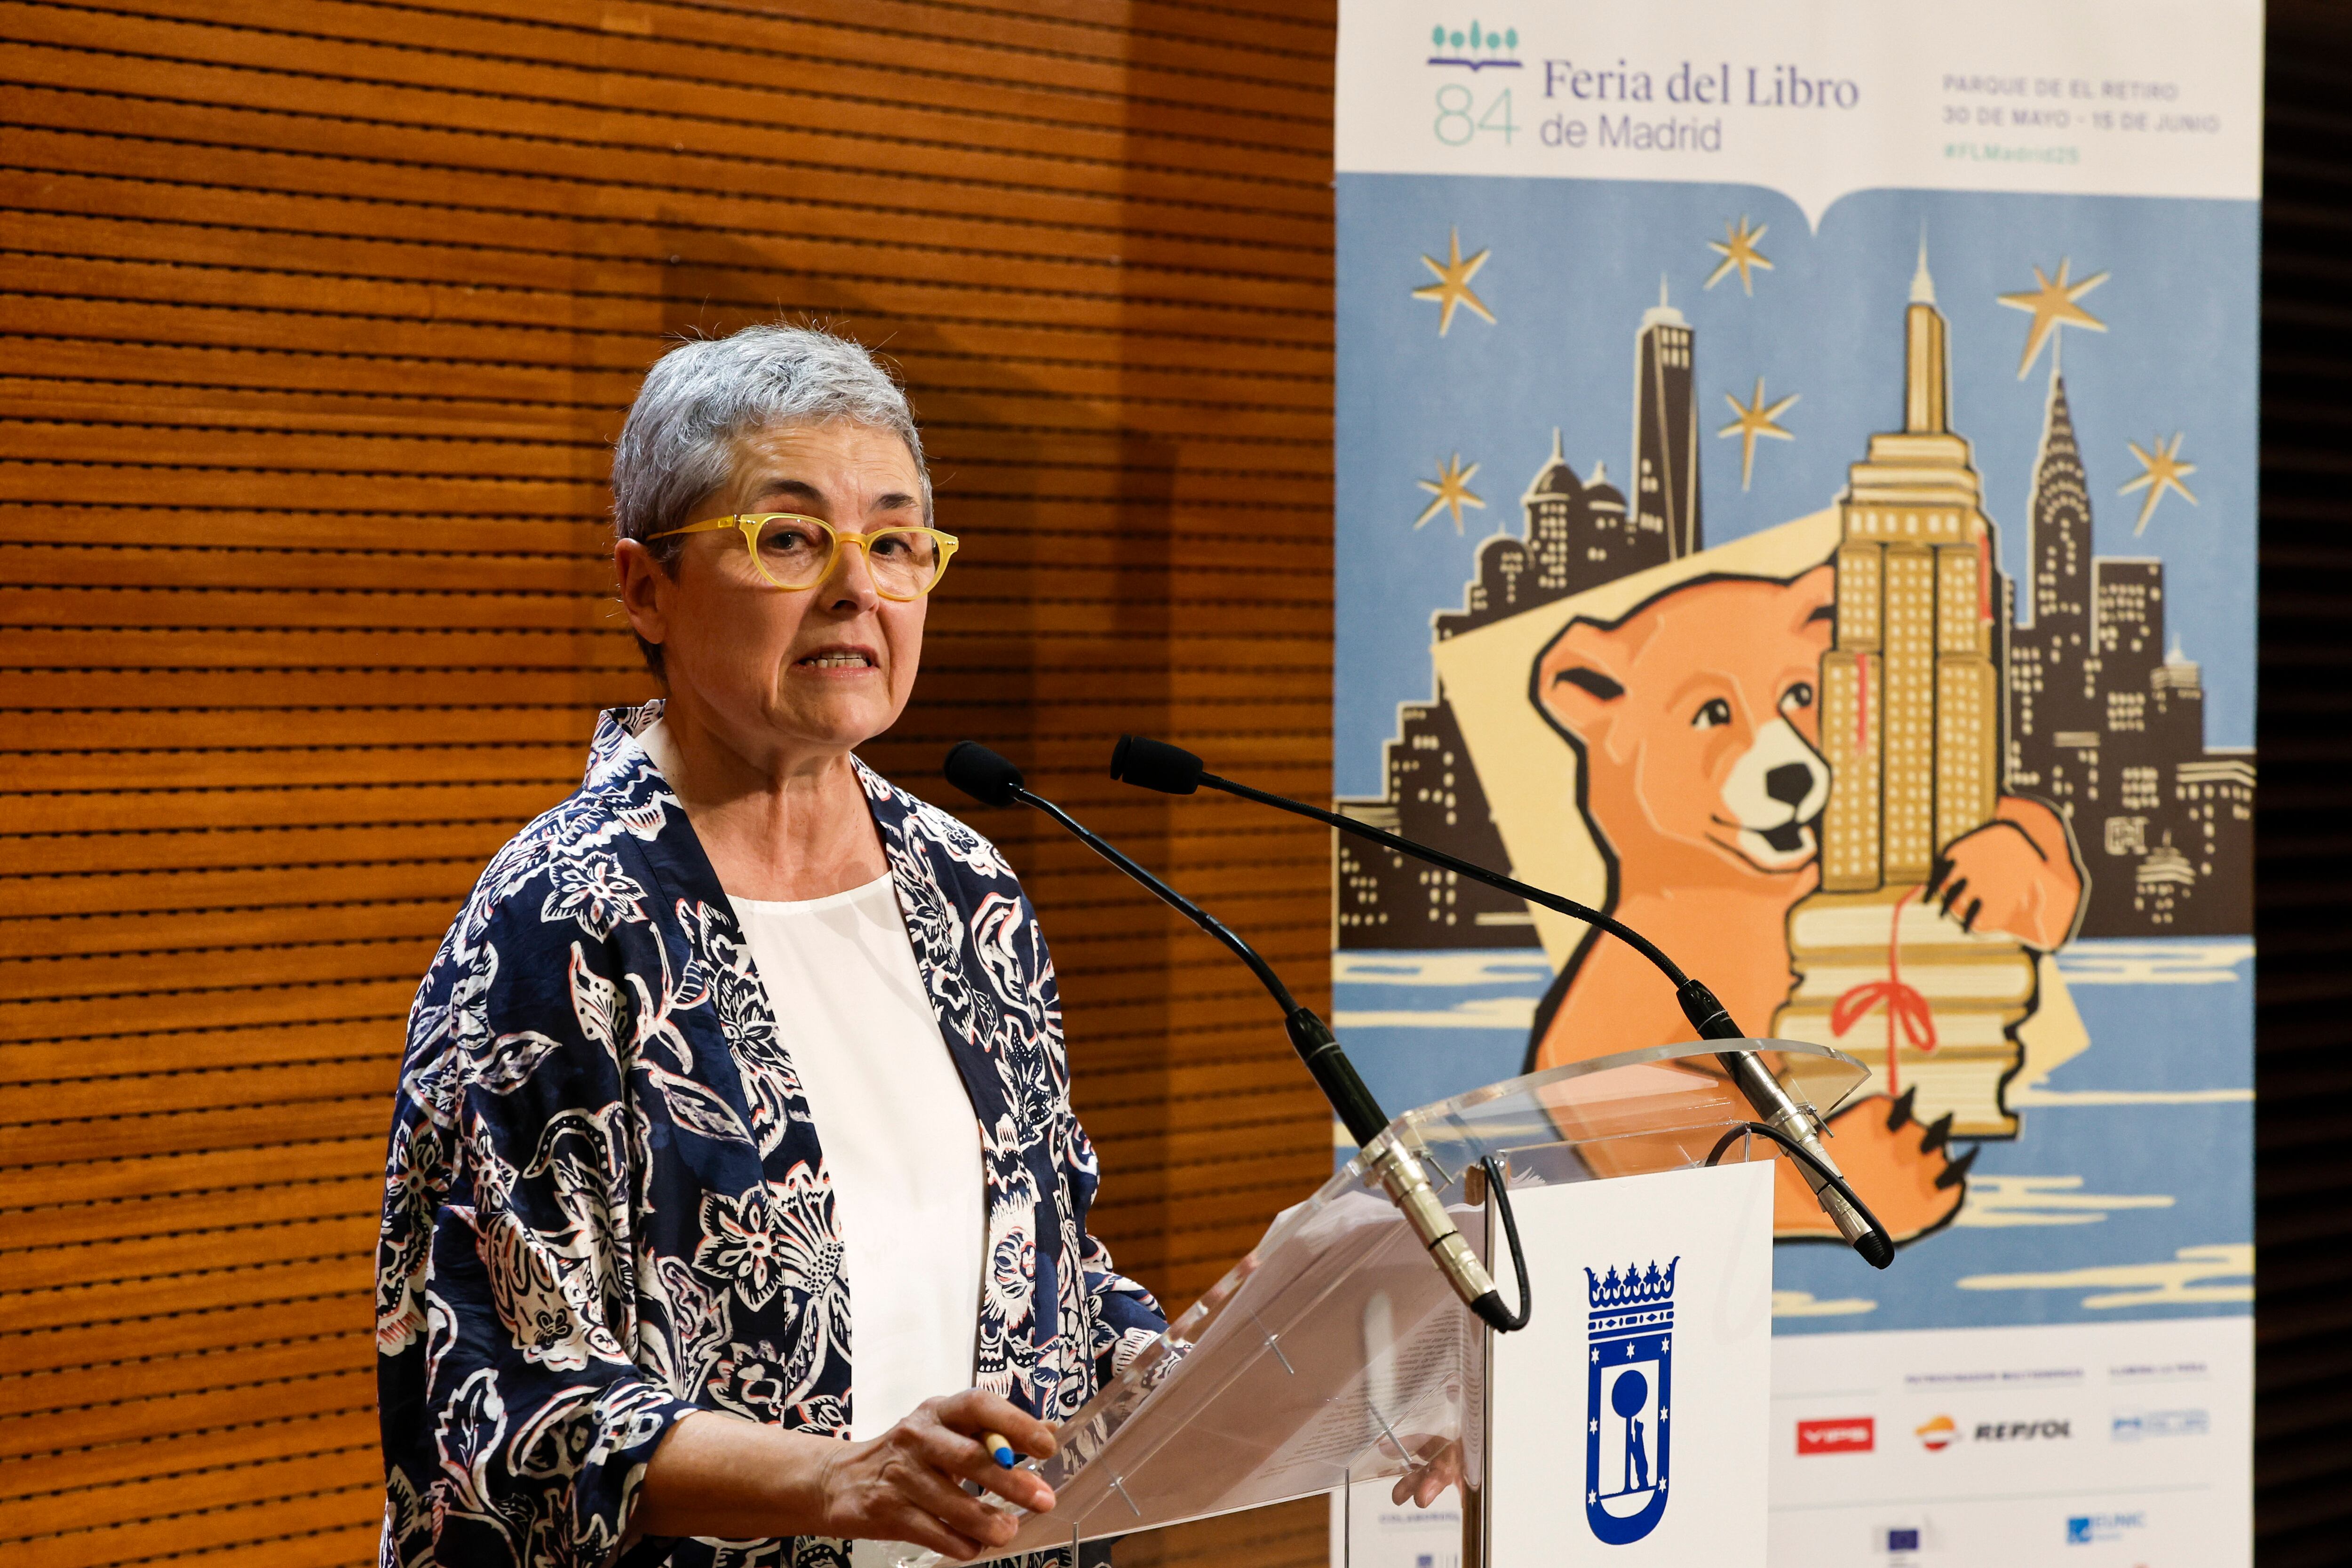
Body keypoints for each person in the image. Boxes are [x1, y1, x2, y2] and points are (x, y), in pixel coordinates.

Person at [374, 324, 1168, 1568]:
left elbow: (1037, 1284)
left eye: (897, 542)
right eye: (790, 537)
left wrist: (1274, 1372)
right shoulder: (563, 921)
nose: (859, 588)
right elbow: (505, 1408)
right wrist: (839, 1484)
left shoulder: (969, 890)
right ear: (646, 587)